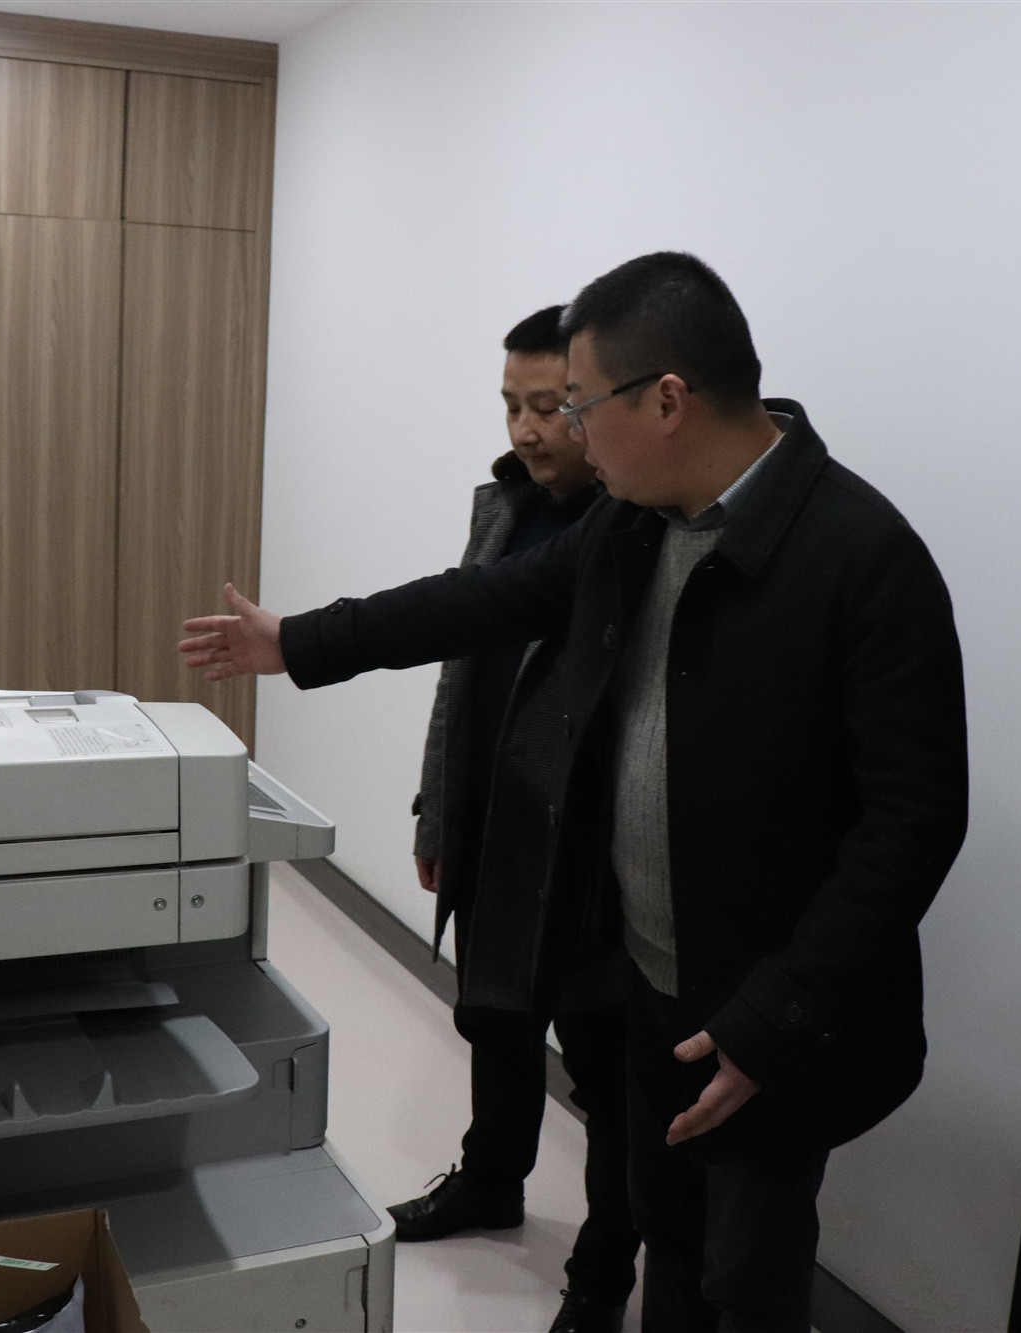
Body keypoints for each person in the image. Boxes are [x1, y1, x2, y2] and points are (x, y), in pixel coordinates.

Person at [180, 252, 968, 1332]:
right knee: (670, 1240)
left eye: (582, 405)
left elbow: (913, 823)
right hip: (652, 982)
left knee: (748, 1276)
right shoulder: (634, 524)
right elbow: (483, 599)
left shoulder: (862, 558)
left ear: (667, 400)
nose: (572, 435)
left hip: (772, 1017)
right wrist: (302, 641)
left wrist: (772, 1021)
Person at [394, 304, 640, 1333]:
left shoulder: (634, 529)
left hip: (580, 860)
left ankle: (599, 1277)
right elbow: (460, 671)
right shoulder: (499, 508)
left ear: (592, 400)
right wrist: (435, 810)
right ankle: (491, 1179)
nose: (526, 430)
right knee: (492, 1021)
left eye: (548, 407)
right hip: (490, 823)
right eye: (511, 406)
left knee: (611, 1082)